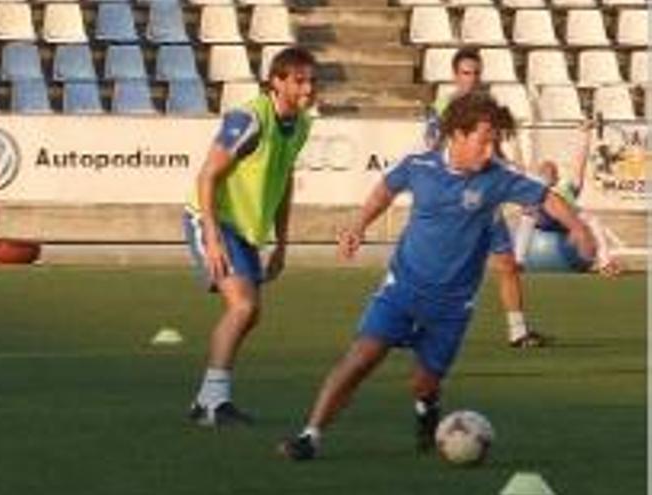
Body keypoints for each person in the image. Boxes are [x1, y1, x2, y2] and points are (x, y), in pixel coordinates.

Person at [279, 91, 596, 461]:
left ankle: (427, 407)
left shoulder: (498, 177)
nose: (490, 149)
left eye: (494, 140)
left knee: (423, 382)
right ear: (457, 136)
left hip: (451, 306)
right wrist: (358, 225)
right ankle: (310, 435)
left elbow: (547, 198)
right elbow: (385, 189)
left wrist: (579, 228)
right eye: (484, 139)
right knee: (360, 359)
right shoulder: (420, 166)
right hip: (401, 289)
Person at [183, 47, 317, 426]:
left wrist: (282, 244)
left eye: (311, 80)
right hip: (212, 220)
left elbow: (284, 179)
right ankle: (213, 403)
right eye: (299, 80)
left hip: (246, 230)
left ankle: (207, 400)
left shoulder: (302, 124)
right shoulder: (249, 119)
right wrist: (210, 236)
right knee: (243, 307)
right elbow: (207, 176)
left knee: (250, 311)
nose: (308, 87)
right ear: (277, 81)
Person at [427, 47, 545, 348]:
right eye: (466, 73)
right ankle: (412, 321)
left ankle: (518, 330)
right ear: (455, 75)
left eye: (477, 73)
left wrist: (508, 166)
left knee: (505, 261)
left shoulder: (487, 107)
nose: (472, 78)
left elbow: (494, 146)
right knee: (440, 263)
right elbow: (433, 150)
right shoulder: (443, 108)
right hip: (453, 197)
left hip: (484, 196)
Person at [513, 120, 621, 276]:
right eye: (543, 171)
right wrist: (515, 134)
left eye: (550, 171)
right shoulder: (534, 188)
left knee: (594, 220)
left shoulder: (568, 187)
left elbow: (580, 161)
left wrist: (586, 134)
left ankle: (605, 263)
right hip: (544, 221)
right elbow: (517, 167)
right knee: (527, 215)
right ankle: (518, 262)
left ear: (556, 176)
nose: (546, 173)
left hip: (569, 220)